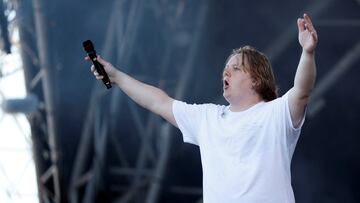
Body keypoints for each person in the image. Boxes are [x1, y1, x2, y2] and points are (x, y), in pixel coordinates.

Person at [86, 13, 318, 203]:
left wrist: (307, 53)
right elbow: (159, 102)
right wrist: (116, 76)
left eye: (235, 68)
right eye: (226, 68)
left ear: (256, 80)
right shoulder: (209, 118)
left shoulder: (275, 114)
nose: (226, 72)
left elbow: (302, 91)